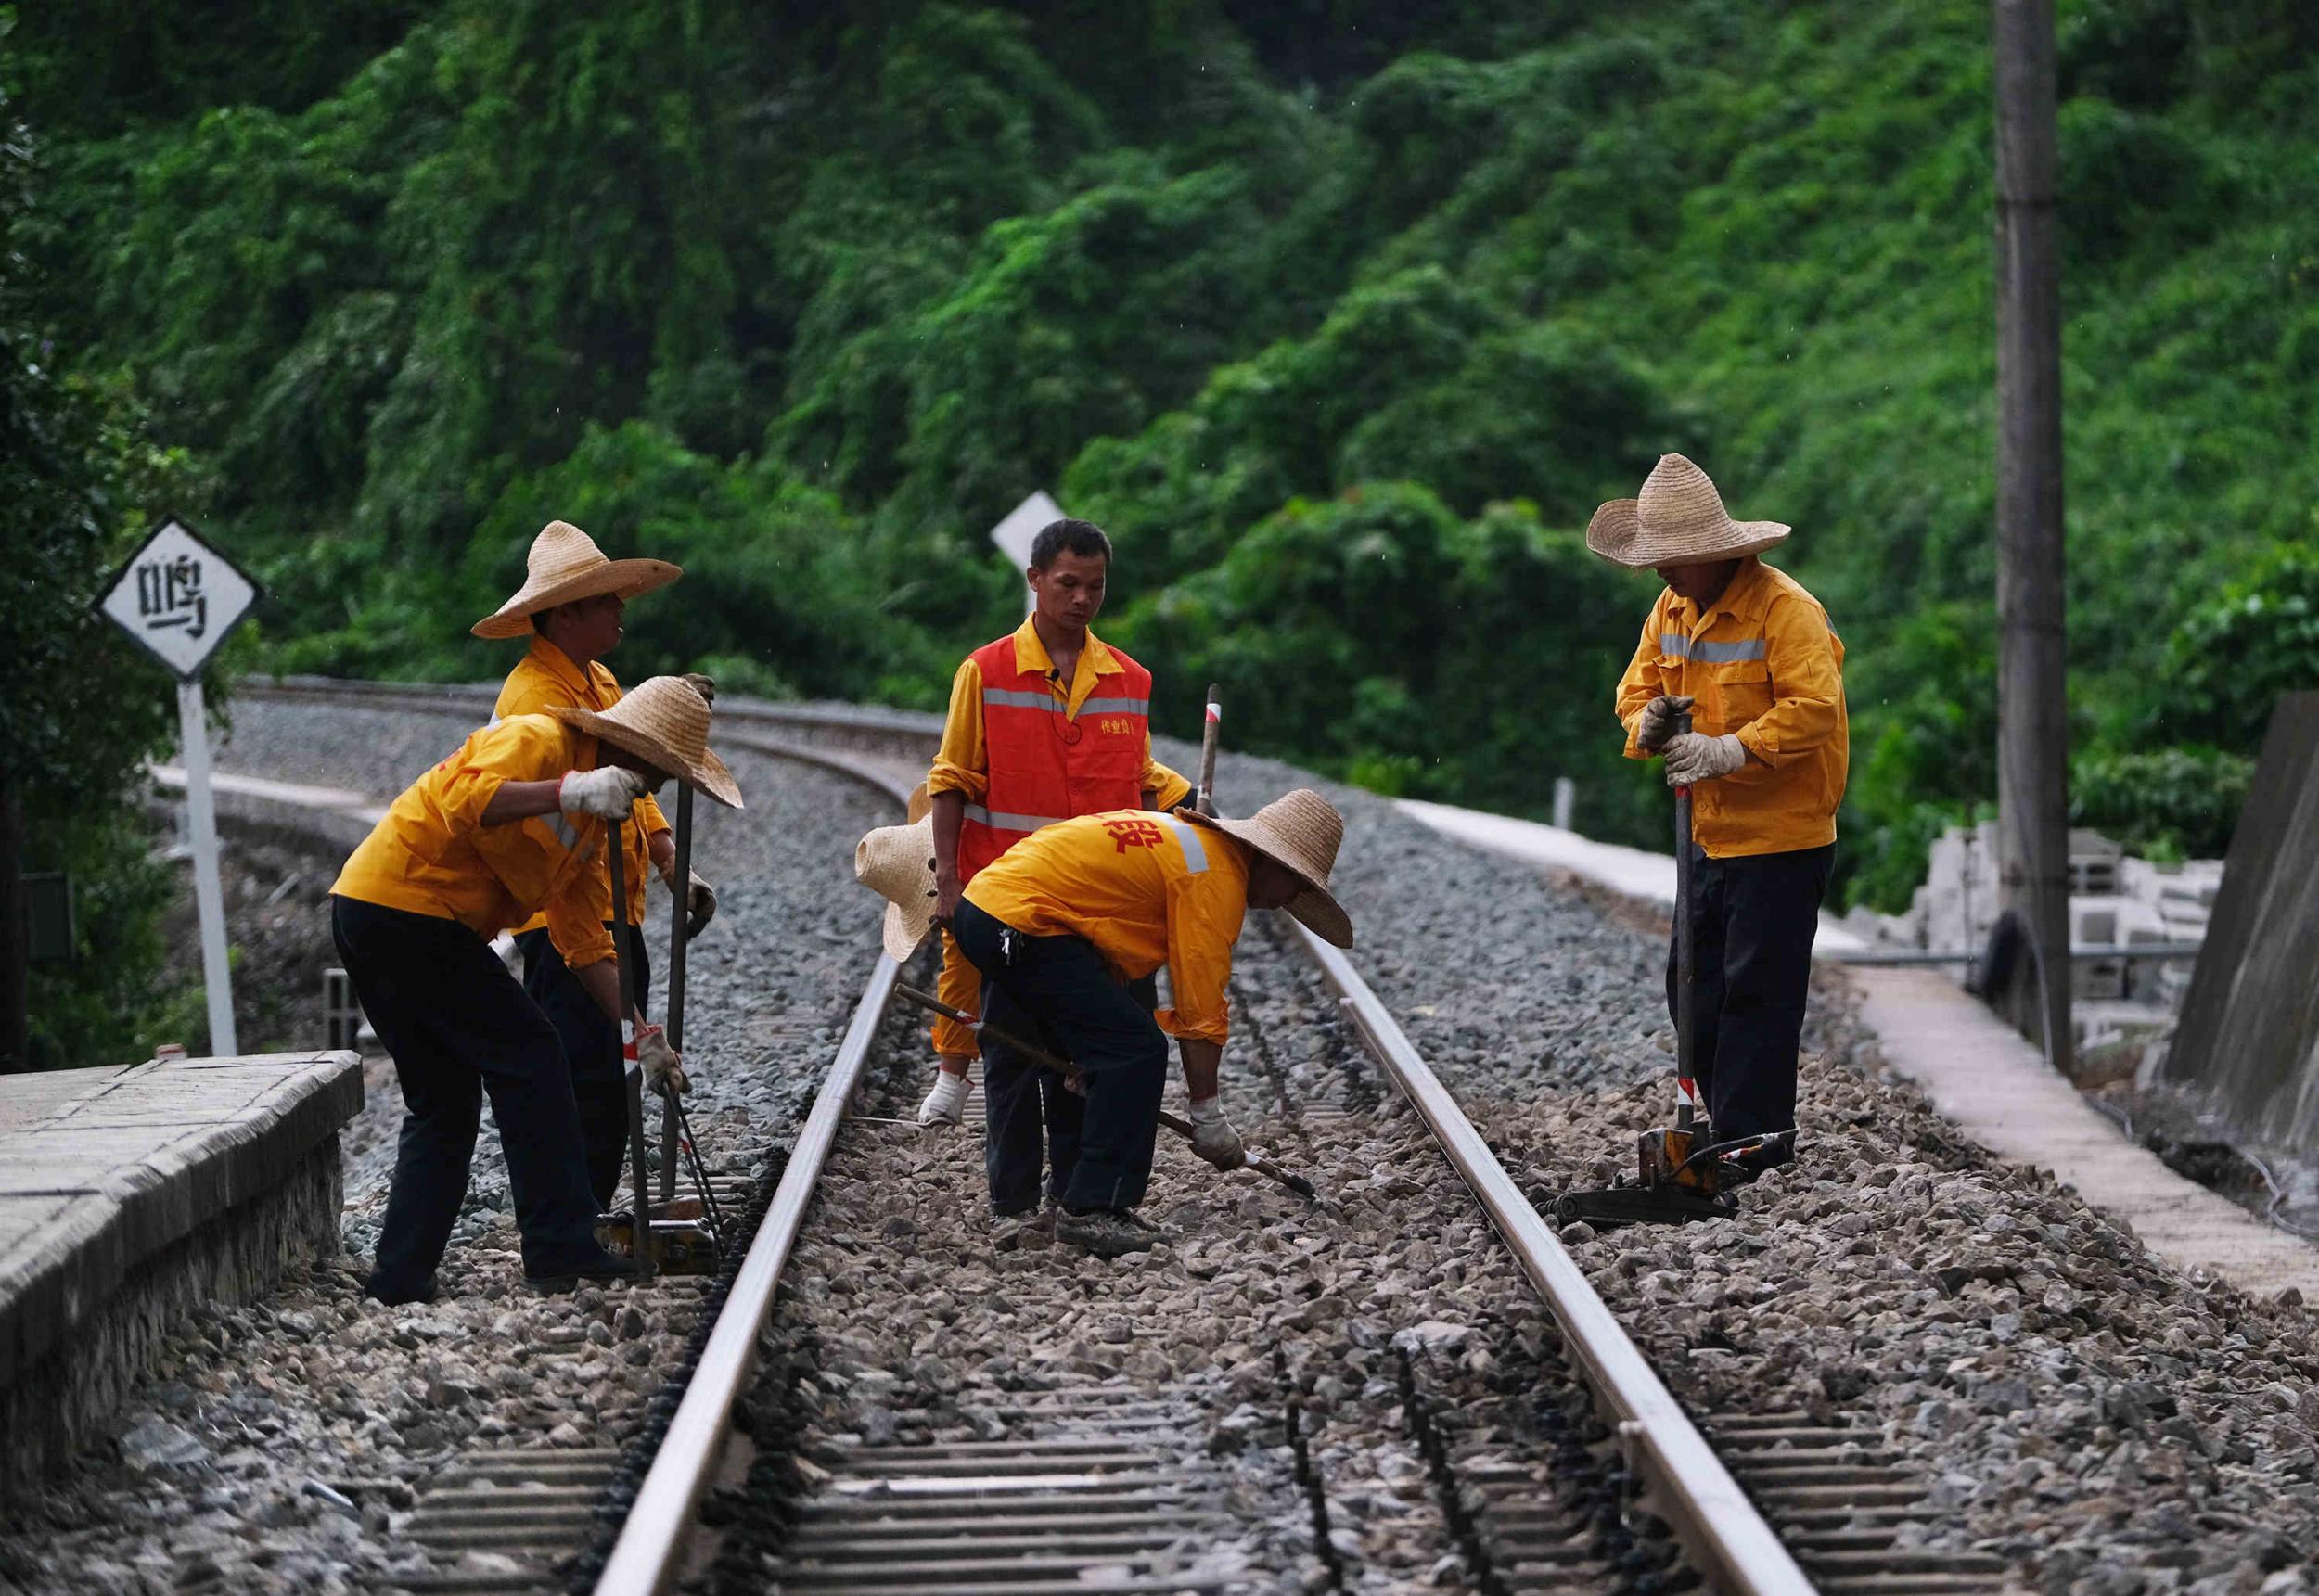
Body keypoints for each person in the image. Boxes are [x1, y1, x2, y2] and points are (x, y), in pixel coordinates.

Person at [330, 678, 743, 1304]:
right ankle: (558, 1244)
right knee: (532, 1053)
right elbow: (463, 798)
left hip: (377, 912)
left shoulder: (594, 822)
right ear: (636, 751)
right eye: (663, 771)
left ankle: (400, 1276)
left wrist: (642, 1036)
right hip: (405, 907)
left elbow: (582, 944)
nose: (659, 789)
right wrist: (569, 788)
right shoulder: (542, 737)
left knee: (443, 1095)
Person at [858, 790, 1352, 1258]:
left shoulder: (1189, 846)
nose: (1288, 898)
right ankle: (1097, 1205)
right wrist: (1208, 1117)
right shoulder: (1214, 875)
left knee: (1098, 1055)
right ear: (1270, 860)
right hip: (1023, 923)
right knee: (1138, 1051)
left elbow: (1102, 945)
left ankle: (1057, 1194)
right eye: (1295, 882)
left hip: (993, 911)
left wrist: (1086, 1047)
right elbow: (1199, 1014)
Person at [918, 517, 1191, 1218]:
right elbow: (951, 779)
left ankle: (1082, 1196)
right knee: (1015, 1051)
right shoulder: (986, 670)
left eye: (1095, 586)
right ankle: (1013, 1204)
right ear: (1035, 579)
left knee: (1094, 1055)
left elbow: (1137, 785)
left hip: (1103, 910)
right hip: (1012, 904)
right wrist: (946, 880)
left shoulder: (1129, 680)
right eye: (1067, 583)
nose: (1081, 599)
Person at [1590, 453, 1848, 1173]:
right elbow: (1634, 690)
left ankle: (1754, 1144)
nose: (1660, 574)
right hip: (1708, 833)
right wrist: (1646, 725)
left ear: (1712, 553)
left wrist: (1732, 750)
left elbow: (1816, 711)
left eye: (1671, 560)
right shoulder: (1671, 609)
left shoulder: (1785, 610)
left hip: (1782, 839)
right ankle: (1732, 1129)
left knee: (1756, 995)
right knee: (1692, 986)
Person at [476, 518, 720, 1209]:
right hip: (563, 915)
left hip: (617, 903)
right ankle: (573, 1222)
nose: (620, 610)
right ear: (565, 612)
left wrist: (670, 857)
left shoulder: (601, 678)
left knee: (611, 1071)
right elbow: (550, 825)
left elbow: (632, 775)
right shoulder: (533, 698)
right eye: (605, 600)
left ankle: (594, 1215)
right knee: (585, 1069)